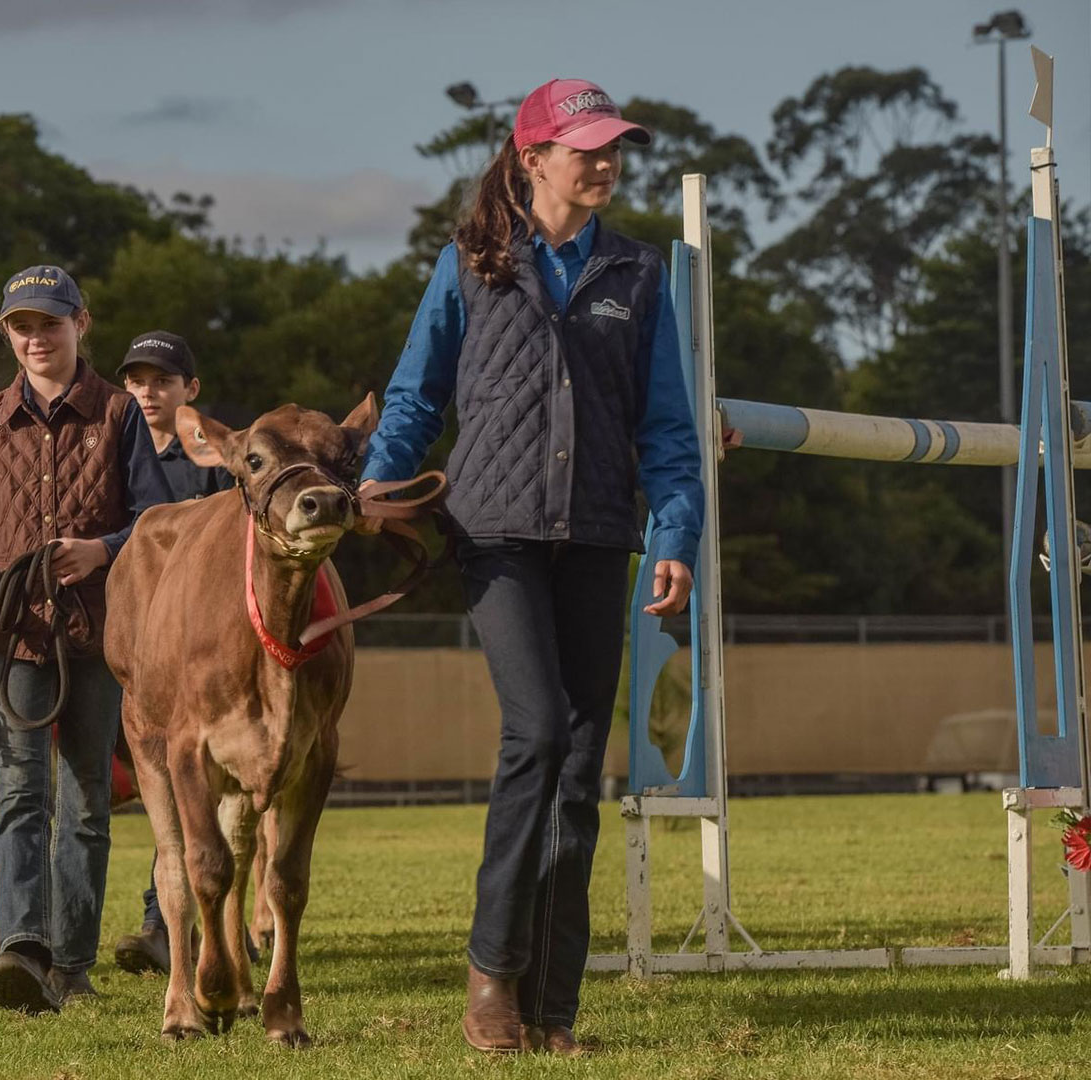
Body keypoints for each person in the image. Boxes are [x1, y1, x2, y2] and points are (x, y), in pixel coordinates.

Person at [357, 79, 702, 1056]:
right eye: (585, 147)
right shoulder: (468, 266)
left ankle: (553, 1010)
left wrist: (674, 536)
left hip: (598, 536)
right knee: (538, 732)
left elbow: (668, 425)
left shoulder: (638, 274)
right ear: (532, 158)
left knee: (581, 765)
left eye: (614, 147)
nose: (605, 162)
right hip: (495, 533)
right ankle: (490, 979)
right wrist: (378, 490)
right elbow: (417, 399)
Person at [0, 266, 171, 1013]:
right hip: (17, 635)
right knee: (18, 796)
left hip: (101, 635)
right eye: (21, 327)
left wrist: (103, 550)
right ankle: (22, 948)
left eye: (49, 323)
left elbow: (155, 518)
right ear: (7, 335)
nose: (36, 338)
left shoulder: (119, 413)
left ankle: (71, 964)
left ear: (82, 323)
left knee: (86, 801)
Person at [109, 330, 232, 976]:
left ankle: (167, 926)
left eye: (161, 380)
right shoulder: (117, 452)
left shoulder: (211, 463)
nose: (147, 392)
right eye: (135, 381)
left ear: (192, 391)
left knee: (192, 791)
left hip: (204, 654)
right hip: (128, 644)